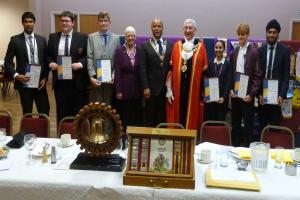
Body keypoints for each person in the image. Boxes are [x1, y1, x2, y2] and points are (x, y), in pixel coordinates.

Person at [48, 11, 89, 125]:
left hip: (77, 82)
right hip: (60, 83)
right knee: (62, 112)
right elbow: (48, 55)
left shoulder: (82, 37)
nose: (64, 23)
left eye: (67, 21)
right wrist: (50, 63)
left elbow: (88, 56)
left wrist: (80, 64)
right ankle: (62, 137)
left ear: (73, 23)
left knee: (78, 113)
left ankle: (78, 138)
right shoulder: (53, 37)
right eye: (62, 21)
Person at [4, 11, 50, 116]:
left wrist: (46, 77)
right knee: (27, 113)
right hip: (24, 82)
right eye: (26, 22)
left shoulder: (42, 40)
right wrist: (16, 76)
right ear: (22, 23)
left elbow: (46, 60)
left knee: (44, 111)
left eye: (31, 21)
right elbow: (7, 62)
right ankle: (29, 132)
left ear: (34, 23)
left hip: (40, 83)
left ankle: (43, 132)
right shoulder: (15, 40)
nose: (29, 24)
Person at [166, 19, 208, 130]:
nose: (188, 30)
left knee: (191, 117)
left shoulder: (201, 47)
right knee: (178, 117)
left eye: (191, 28)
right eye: (186, 28)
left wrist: (205, 93)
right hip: (178, 91)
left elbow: (205, 73)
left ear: (195, 30)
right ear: (183, 29)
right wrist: (169, 90)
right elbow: (170, 70)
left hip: (194, 92)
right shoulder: (176, 46)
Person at [229, 23, 262, 147]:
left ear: (247, 35)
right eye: (239, 34)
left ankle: (247, 150)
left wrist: (252, 94)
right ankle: (235, 147)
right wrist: (231, 90)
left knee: (248, 124)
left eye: (243, 34)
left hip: (247, 95)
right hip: (236, 94)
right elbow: (231, 74)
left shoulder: (254, 52)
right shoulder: (234, 52)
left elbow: (258, 75)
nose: (241, 37)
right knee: (235, 123)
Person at [257, 19, 290, 136]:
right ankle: (260, 150)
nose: (271, 35)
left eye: (274, 32)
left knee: (275, 128)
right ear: (266, 33)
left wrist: (282, 95)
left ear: (278, 34)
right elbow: (258, 75)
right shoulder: (260, 51)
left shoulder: (285, 51)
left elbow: (286, 76)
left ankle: (274, 152)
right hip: (262, 98)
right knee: (262, 127)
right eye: (269, 32)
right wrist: (259, 94)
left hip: (276, 98)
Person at [139, 18, 173, 127]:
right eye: (154, 26)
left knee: (163, 118)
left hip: (166, 89)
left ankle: (162, 142)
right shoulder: (144, 46)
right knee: (151, 118)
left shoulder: (171, 45)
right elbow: (142, 68)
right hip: (151, 89)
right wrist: (145, 87)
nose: (157, 28)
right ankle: (150, 142)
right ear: (151, 28)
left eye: (159, 26)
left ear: (163, 28)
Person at [87, 11, 120, 104]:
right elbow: (89, 57)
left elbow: (118, 59)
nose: (103, 23)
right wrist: (91, 76)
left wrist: (114, 73)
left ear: (110, 22)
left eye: (106, 20)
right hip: (96, 79)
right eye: (101, 20)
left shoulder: (116, 38)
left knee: (109, 105)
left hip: (110, 79)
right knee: (96, 105)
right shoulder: (91, 37)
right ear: (98, 22)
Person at [114, 26, 142, 130]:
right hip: (124, 90)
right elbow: (117, 71)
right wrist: (118, 91)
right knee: (125, 114)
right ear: (125, 37)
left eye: (132, 35)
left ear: (135, 37)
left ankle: (135, 136)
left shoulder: (140, 50)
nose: (130, 37)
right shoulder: (119, 51)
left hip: (137, 89)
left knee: (136, 114)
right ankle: (125, 137)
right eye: (128, 35)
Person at [203, 40, 232, 121]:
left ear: (224, 49)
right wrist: (206, 95)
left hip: (222, 100)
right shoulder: (209, 63)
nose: (218, 49)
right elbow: (205, 79)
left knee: (220, 123)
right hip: (210, 100)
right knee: (209, 122)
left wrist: (224, 97)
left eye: (220, 47)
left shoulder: (228, 64)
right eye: (216, 47)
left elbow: (228, 81)